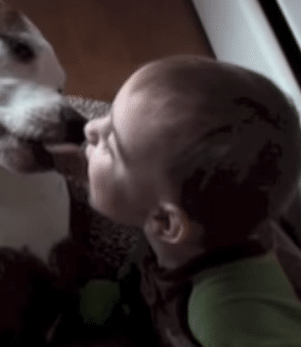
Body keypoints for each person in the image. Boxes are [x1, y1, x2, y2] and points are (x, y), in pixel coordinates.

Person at [81, 55, 301, 346]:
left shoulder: (227, 315)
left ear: (165, 222)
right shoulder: (178, 229)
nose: (90, 127)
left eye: (112, 145)